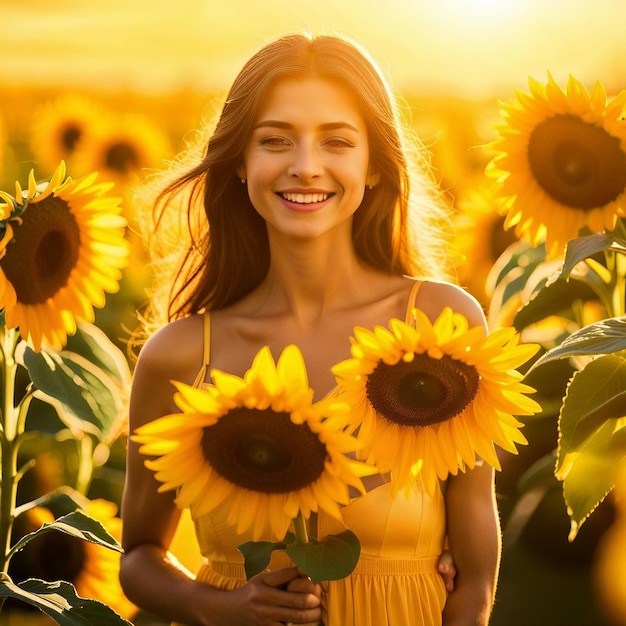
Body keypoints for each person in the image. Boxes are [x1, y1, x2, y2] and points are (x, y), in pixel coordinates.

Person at [120, 32, 500, 626]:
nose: (305, 166)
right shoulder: (182, 355)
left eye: (336, 141)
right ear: (240, 164)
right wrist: (219, 607)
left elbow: (474, 584)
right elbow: (139, 557)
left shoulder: (440, 331)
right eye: (274, 140)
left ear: (374, 165)